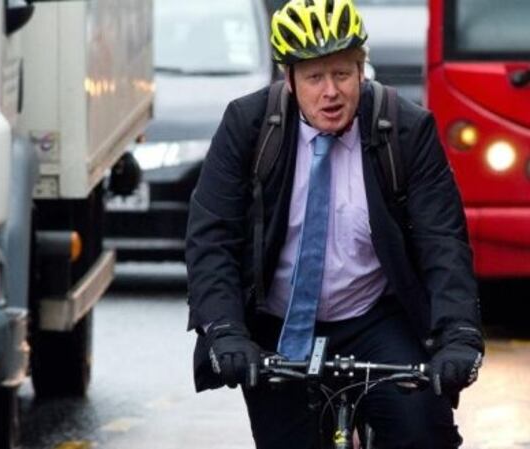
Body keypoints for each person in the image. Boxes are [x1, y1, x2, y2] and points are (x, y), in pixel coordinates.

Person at [184, 0, 484, 448]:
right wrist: (225, 331)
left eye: (342, 74)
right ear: (288, 79)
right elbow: (212, 237)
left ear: (362, 70)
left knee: (423, 431)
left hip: (375, 318)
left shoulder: (405, 130)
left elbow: (443, 242)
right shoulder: (247, 126)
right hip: (277, 324)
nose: (331, 92)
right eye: (314, 77)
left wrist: (459, 334)